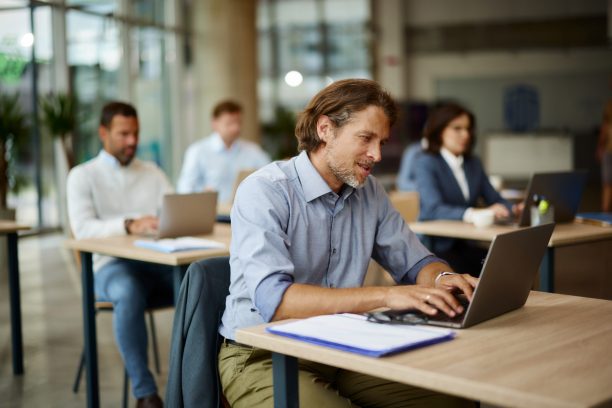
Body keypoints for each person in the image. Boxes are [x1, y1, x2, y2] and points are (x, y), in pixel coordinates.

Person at [218, 79, 477, 407]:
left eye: (381, 141)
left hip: (342, 346)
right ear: (325, 129)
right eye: (366, 138)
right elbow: (278, 302)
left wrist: (441, 279)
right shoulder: (265, 190)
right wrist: (387, 295)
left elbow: (415, 263)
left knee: (456, 400)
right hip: (263, 353)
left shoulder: (370, 193)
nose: (377, 155)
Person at [67, 102, 173, 408]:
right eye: (123, 134)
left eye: (135, 133)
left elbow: (173, 211)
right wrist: (129, 224)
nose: (132, 141)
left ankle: (199, 385)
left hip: (156, 261)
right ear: (103, 133)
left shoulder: (152, 172)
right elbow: (83, 229)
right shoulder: (82, 176)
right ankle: (146, 394)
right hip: (106, 267)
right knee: (127, 291)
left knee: (200, 283)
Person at [414, 102, 517, 274]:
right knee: (477, 272)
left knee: (507, 264)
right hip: (437, 247)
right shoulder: (426, 162)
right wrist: (473, 214)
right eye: (457, 128)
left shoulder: (473, 163)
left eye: (468, 129)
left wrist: (512, 209)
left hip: (467, 243)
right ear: (440, 131)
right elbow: (433, 209)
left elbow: (494, 198)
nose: (465, 134)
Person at [177, 100, 270, 204]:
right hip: (213, 213)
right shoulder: (197, 151)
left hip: (247, 210)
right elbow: (184, 189)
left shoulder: (253, 150)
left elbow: (270, 177)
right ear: (214, 123)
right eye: (229, 123)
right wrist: (201, 196)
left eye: (238, 122)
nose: (235, 128)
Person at [597, 101, 612, 212]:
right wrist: (601, 147)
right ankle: (605, 211)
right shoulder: (609, 106)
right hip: (609, 150)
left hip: (608, 150)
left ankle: (605, 210)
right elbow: (605, 128)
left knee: (607, 184)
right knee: (607, 184)